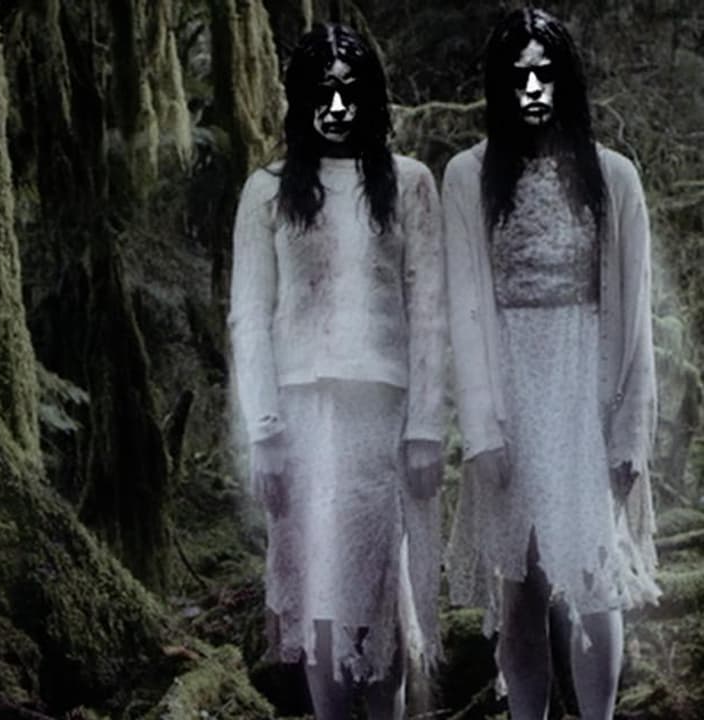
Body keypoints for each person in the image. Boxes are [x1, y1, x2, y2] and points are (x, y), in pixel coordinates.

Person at [443, 8, 660, 719]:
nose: (533, 90)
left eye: (546, 75)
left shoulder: (613, 176)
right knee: (522, 583)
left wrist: (630, 434)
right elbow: (464, 309)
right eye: (519, 78)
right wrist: (482, 431)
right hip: (510, 395)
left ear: (567, 81)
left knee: (593, 576)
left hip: (584, 397)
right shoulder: (468, 176)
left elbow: (635, 317)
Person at [229, 23, 446, 719]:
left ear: (371, 100)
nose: (337, 106)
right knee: (315, 585)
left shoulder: (409, 183)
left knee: (378, 582)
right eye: (322, 92)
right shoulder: (266, 191)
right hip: (297, 417)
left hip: (379, 416)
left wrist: (426, 427)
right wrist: (264, 431)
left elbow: (430, 311)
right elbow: (249, 316)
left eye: (351, 92)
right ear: (300, 101)